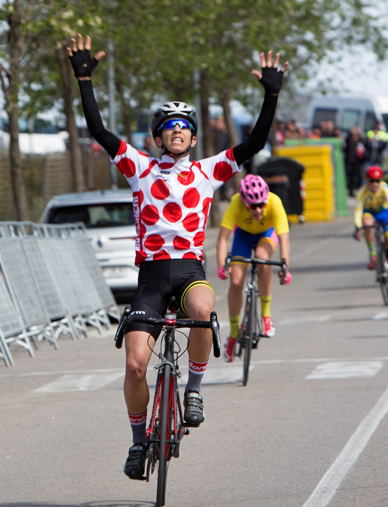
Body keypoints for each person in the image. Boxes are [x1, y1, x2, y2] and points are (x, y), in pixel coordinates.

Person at [66, 34, 287, 480]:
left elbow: (256, 142)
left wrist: (271, 94)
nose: (179, 131)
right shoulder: (139, 168)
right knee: (133, 364)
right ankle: (136, 441)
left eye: (185, 125)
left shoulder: (209, 170)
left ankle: (195, 389)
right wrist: (85, 79)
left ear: (193, 135)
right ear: (158, 136)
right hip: (150, 277)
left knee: (203, 311)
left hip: (188, 271)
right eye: (170, 126)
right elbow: (98, 131)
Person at [215, 174, 292, 362]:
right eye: (252, 206)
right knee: (235, 281)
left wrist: (284, 266)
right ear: (244, 202)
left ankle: (266, 315)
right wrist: (221, 265)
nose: (258, 209)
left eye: (261, 204)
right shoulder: (235, 203)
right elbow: (222, 238)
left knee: (262, 258)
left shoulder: (274, 202)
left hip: (266, 233)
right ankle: (234, 333)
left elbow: (284, 239)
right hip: (243, 235)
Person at [352, 165, 388, 293]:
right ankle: (373, 255)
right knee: (367, 222)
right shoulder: (362, 191)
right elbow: (358, 210)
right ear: (367, 181)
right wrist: (358, 227)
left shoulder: (385, 188)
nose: (375, 184)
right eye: (371, 181)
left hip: (384, 214)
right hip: (370, 213)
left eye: (377, 181)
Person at [343, 126, 366, 197]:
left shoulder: (361, 140)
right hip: (349, 161)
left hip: (357, 162)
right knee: (348, 176)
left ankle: (353, 190)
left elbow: (363, 150)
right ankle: (348, 189)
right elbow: (344, 148)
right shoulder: (348, 139)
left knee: (355, 177)